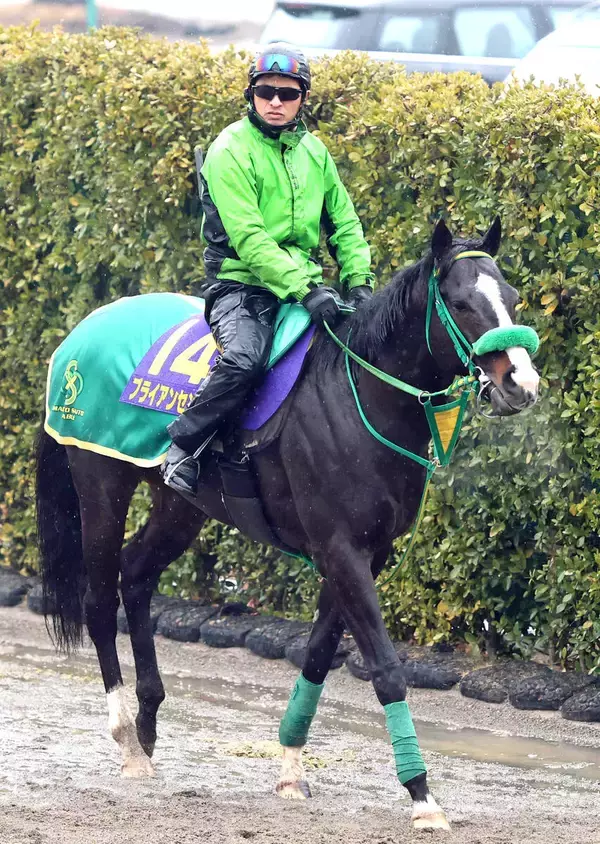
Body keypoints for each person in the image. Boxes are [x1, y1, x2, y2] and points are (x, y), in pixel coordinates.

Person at [162, 42, 374, 495]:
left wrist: (358, 283)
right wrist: (305, 289)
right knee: (244, 359)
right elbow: (251, 239)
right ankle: (185, 445)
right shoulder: (229, 149)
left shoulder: (315, 153)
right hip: (242, 285)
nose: (276, 102)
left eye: (288, 93)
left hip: (304, 285)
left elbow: (345, 223)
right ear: (251, 95)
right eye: (266, 92)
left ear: (303, 99)